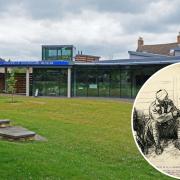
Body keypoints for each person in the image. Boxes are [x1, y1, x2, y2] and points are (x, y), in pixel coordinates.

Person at [148, 89, 180, 155]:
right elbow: (158, 119)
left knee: (179, 120)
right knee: (154, 123)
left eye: (167, 96)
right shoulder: (152, 106)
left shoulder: (169, 102)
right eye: (165, 97)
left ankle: (179, 142)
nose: (167, 99)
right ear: (160, 99)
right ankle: (158, 145)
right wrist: (171, 114)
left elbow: (174, 110)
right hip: (158, 125)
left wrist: (177, 112)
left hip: (167, 123)